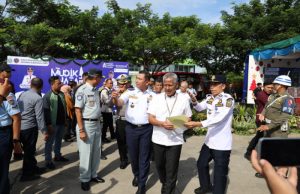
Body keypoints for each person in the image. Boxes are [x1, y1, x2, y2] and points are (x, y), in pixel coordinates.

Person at [184, 75, 234, 194]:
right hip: (209, 141)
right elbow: (200, 108)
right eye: (211, 84)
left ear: (223, 86)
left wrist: (197, 124)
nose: (212, 87)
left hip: (222, 143)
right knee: (201, 164)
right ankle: (206, 186)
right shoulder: (210, 98)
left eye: (215, 84)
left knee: (219, 173)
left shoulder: (228, 100)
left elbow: (219, 119)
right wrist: (194, 100)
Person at [148, 73, 192, 194]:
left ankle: (168, 189)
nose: (167, 88)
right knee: (160, 166)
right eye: (165, 85)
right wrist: (162, 124)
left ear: (176, 85)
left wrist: (176, 123)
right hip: (158, 139)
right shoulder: (156, 98)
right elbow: (150, 119)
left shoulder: (184, 99)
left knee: (172, 169)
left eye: (170, 85)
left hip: (175, 140)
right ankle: (165, 184)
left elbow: (188, 117)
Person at [112, 70, 154, 194]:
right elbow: (119, 103)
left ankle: (142, 184)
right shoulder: (129, 92)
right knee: (133, 156)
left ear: (147, 82)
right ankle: (136, 173)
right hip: (130, 129)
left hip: (146, 129)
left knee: (144, 157)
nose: (137, 80)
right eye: (137, 78)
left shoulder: (153, 95)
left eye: (140, 79)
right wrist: (115, 99)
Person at [75, 69, 105, 191]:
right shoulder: (82, 90)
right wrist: (81, 130)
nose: (101, 80)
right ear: (96, 77)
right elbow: (77, 110)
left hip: (97, 124)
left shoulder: (96, 90)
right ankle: (84, 178)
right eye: (100, 78)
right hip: (86, 125)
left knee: (96, 152)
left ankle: (93, 174)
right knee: (86, 153)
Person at [18, 78, 48, 181]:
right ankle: (26, 175)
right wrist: (44, 131)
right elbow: (39, 117)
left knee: (29, 150)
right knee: (29, 151)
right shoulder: (37, 98)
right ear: (41, 86)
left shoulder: (23, 94)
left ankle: (33, 168)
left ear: (30, 84)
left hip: (20, 127)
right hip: (30, 127)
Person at [0, 74, 21, 194]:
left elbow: (16, 118)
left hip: (3, 133)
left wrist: (16, 141)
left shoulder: (7, 93)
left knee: (3, 170)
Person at [43, 76, 69, 170]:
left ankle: (57, 156)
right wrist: (49, 125)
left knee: (59, 141)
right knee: (49, 143)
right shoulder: (47, 96)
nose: (61, 84)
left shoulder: (62, 94)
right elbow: (45, 112)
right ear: (52, 84)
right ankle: (48, 161)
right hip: (52, 124)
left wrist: (66, 120)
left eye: (60, 82)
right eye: (58, 83)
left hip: (62, 123)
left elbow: (64, 107)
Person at [244, 82, 274, 162]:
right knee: (259, 136)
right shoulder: (261, 94)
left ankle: (260, 154)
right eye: (268, 87)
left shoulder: (271, 95)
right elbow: (270, 105)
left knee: (262, 137)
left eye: (272, 87)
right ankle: (248, 153)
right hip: (260, 119)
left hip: (268, 119)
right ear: (263, 87)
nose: (270, 89)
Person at [114, 74, 130, 169]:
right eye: (120, 84)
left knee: (131, 142)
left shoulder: (132, 93)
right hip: (120, 120)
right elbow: (109, 104)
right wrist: (115, 96)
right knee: (121, 142)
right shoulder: (115, 93)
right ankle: (123, 159)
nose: (122, 86)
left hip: (130, 121)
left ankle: (132, 156)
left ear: (128, 84)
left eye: (124, 84)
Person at [101, 78, 116, 143]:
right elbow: (107, 101)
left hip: (109, 109)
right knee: (105, 125)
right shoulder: (104, 91)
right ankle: (103, 137)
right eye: (110, 83)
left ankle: (112, 135)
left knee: (110, 124)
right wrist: (112, 97)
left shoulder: (110, 90)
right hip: (105, 110)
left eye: (112, 83)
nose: (111, 84)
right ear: (106, 84)